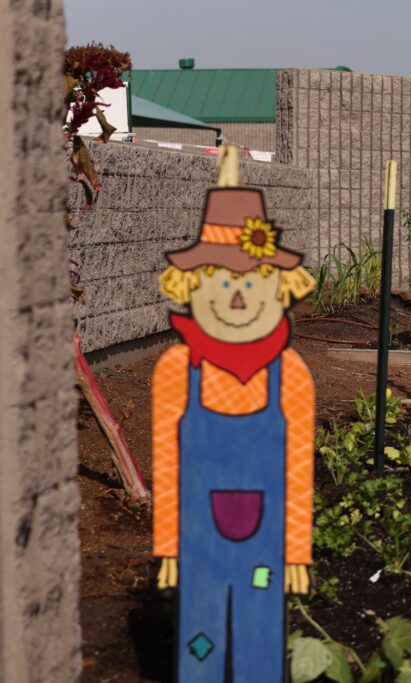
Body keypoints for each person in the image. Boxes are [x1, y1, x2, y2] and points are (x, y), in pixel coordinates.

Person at [152, 186, 317, 682]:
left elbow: (298, 466)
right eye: (221, 285)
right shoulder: (177, 369)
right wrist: (168, 546)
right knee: (198, 639)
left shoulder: (290, 375)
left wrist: (295, 551)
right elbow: (165, 459)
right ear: (191, 289)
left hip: (266, 545)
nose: (239, 298)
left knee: (259, 634)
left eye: (253, 283)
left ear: (280, 290)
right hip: (198, 539)